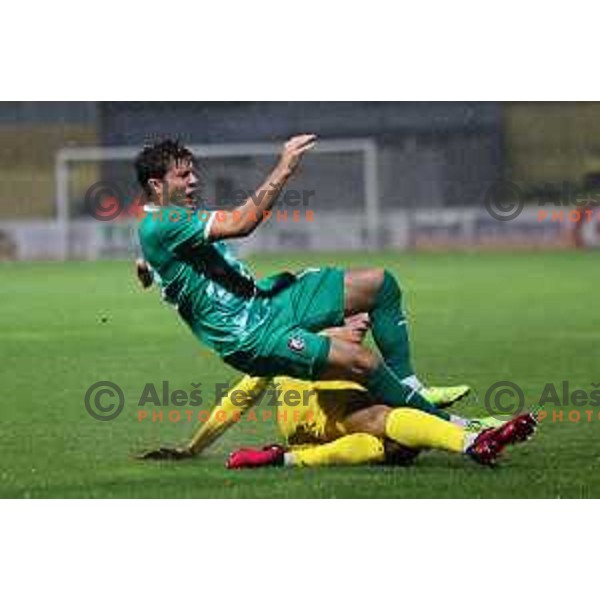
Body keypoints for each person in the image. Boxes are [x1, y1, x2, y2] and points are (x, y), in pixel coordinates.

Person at [135, 136, 471, 423]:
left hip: (265, 300)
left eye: (193, 171)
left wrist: (150, 264)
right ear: (156, 185)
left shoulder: (166, 222)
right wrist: (285, 167)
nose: (194, 180)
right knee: (364, 362)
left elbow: (170, 252)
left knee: (379, 284)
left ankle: (410, 387)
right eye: (183, 175)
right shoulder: (165, 223)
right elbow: (241, 223)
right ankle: (454, 427)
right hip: (250, 334)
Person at [139, 313, 537, 468]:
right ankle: (475, 441)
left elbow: (236, 401)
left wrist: (194, 447)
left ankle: (283, 461)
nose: (365, 320)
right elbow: (237, 401)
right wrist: (193, 447)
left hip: (338, 431)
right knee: (383, 421)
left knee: (397, 448)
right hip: (325, 425)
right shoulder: (296, 348)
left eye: (365, 313)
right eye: (353, 315)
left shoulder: (347, 353)